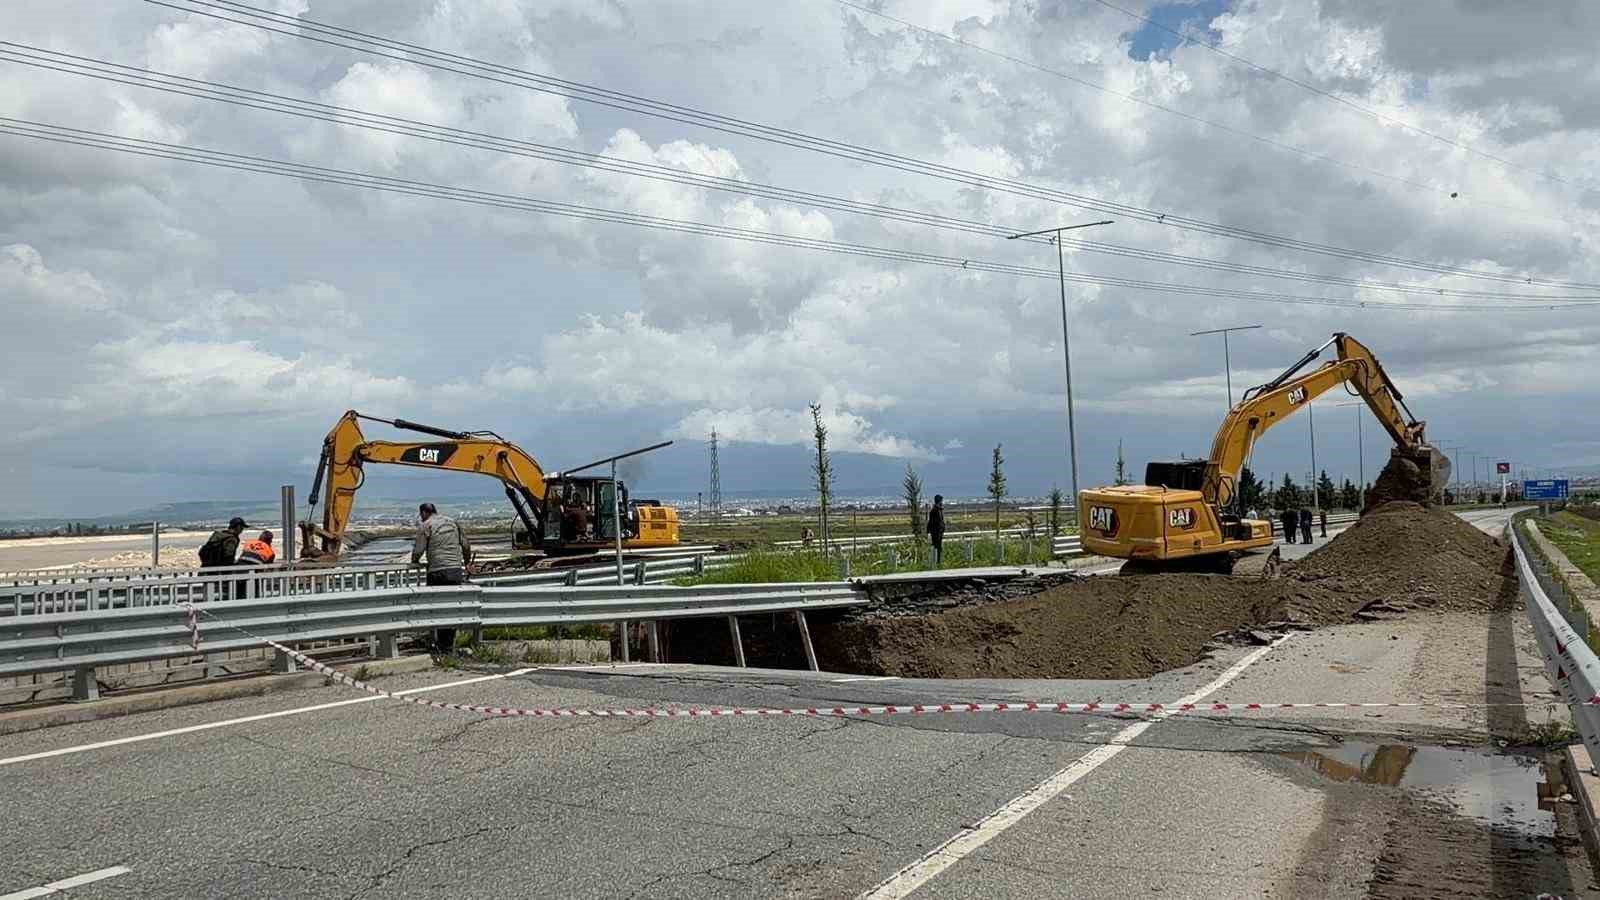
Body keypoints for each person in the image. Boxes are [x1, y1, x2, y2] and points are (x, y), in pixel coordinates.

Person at [412, 503, 473, 656]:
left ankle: (440, 645)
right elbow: (465, 545)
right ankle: (448, 645)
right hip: (455, 571)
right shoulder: (452, 522)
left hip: (437, 571)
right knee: (451, 608)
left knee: (437, 607)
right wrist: (466, 563)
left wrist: (415, 562)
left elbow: (418, 550)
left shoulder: (426, 525)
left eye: (421, 514)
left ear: (424, 513)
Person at [927, 494, 947, 567]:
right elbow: (932, 522)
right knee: (937, 547)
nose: (942, 502)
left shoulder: (939, 510)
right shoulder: (935, 510)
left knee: (939, 547)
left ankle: (938, 561)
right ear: (939, 501)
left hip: (939, 531)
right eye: (941, 501)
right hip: (936, 532)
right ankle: (937, 562)